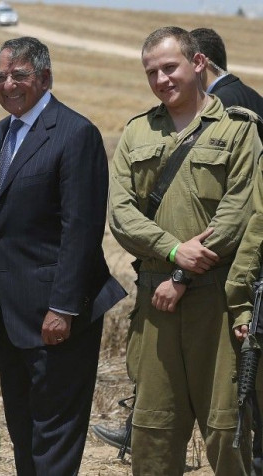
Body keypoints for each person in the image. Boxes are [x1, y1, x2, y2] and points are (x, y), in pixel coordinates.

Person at [94, 26, 263, 461]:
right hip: (156, 304)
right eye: (151, 72)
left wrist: (182, 273)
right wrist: (173, 253)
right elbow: (122, 215)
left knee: (227, 433)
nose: (161, 80)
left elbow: (240, 212)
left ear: (198, 63)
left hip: (216, 303)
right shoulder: (136, 134)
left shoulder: (240, 130)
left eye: (170, 68)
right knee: (153, 433)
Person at [0, 37, 125, 475]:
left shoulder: (76, 133)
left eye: (19, 75)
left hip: (57, 317)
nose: (8, 84)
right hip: (8, 317)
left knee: (55, 437)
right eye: (1, 76)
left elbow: (80, 229)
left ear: (44, 77)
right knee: (23, 431)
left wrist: (62, 307)